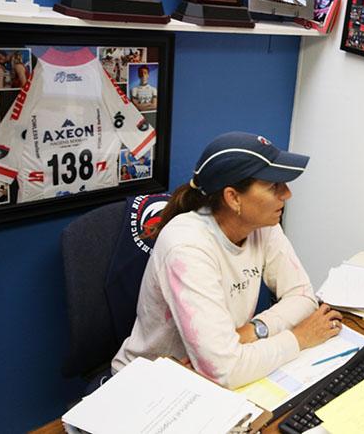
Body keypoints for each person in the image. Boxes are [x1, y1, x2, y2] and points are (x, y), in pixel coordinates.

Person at [112, 131, 343, 389]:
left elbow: (302, 296)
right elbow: (225, 370)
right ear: (233, 198)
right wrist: (299, 338)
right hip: (152, 385)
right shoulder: (186, 247)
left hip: (208, 377)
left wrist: (256, 329)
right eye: (273, 186)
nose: (286, 194)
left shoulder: (262, 224)